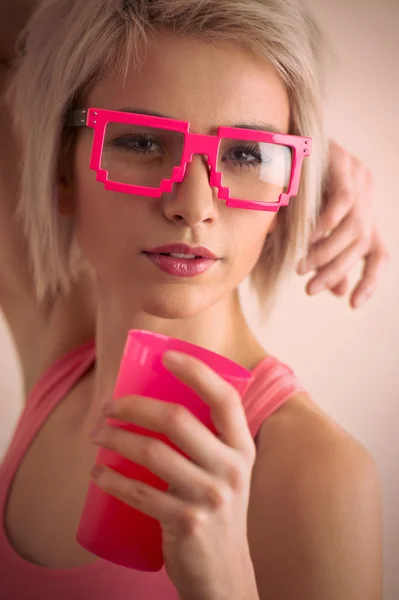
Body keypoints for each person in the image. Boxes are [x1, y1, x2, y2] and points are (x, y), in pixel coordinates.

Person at [0, 0, 383, 599]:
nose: (194, 204)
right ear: (61, 172)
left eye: (246, 155)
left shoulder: (317, 473)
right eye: (143, 142)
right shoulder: (60, 345)